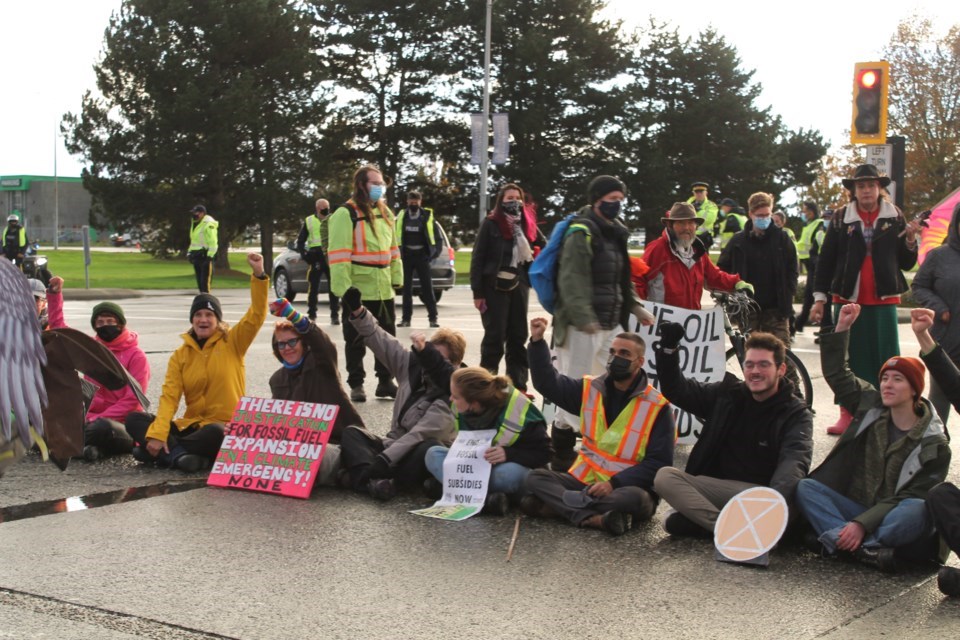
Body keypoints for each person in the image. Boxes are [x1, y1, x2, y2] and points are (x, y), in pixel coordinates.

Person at [796, 303, 950, 572]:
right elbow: (837, 375)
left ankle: (842, 542)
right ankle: (866, 550)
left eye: (898, 379)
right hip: (856, 507)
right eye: (885, 378)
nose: (888, 385)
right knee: (806, 488)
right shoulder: (870, 404)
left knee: (916, 509)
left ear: (915, 390)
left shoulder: (935, 443)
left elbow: (910, 498)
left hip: (893, 517)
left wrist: (861, 525)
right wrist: (843, 327)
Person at [652, 322, 813, 539]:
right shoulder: (728, 394)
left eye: (764, 365)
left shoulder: (796, 414)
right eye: (750, 364)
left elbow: (793, 466)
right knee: (665, 478)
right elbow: (679, 390)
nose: (755, 371)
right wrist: (669, 349)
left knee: (676, 522)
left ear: (781, 369)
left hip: (762, 496)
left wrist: (774, 508)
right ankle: (740, 532)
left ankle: (745, 528)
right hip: (721, 491)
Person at [523, 318, 674, 535]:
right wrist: (537, 342)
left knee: (635, 500)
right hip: (584, 480)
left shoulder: (657, 407)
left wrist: (613, 483)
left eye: (624, 354)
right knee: (535, 478)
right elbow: (548, 383)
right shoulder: (589, 388)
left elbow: (658, 464)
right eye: (612, 352)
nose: (615, 358)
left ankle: (561, 508)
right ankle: (593, 519)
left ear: (640, 362)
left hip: (625, 487)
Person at [125, 253, 268, 472]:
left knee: (215, 433)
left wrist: (258, 274)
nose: (203, 319)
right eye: (198, 315)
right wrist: (159, 432)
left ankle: (163, 453)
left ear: (217, 320)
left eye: (209, 315)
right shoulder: (180, 355)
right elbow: (170, 397)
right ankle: (181, 456)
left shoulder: (233, 342)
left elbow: (256, 314)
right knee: (135, 419)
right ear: (192, 319)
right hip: (191, 426)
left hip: (223, 427)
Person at [551, 175, 654, 469]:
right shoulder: (580, 232)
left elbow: (621, 278)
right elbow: (571, 280)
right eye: (611, 199)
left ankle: (602, 443)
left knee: (610, 382)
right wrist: (585, 319)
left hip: (610, 323)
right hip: (580, 325)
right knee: (575, 385)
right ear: (596, 200)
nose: (616, 204)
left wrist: (635, 307)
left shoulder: (616, 231)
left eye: (620, 199)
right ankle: (563, 448)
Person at [810, 164, 921, 435]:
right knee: (848, 356)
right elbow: (826, 260)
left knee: (885, 358)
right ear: (853, 191)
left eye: (871, 185)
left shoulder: (894, 215)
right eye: (861, 186)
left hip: (883, 300)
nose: (867, 190)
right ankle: (848, 413)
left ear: (879, 188)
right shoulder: (840, 218)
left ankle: (886, 414)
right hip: (848, 298)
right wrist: (819, 298)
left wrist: (909, 239)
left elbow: (905, 263)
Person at [338, 286, 462, 501]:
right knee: (352, 433)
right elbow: (383, 341)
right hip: (393, 445)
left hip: (417, 450)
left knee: (427, 448)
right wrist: (359, 312)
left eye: (439, 359)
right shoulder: (413, 365)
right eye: (429, 355)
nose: (430, 364)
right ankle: (373, 483)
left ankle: (367, 478)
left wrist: (383, 460)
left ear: (455, 364)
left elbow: (419, 434)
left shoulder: (456, 394)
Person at [46, 276, 150, 461]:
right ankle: (90, 449)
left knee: (102, 428)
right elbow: (60, 332)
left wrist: (96, 418)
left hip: (119, 425)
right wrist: (55, 295)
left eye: (110, 321)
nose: (105, 326)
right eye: (100, 323)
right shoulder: (92, 350)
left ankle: (76, 446)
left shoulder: (136, 356)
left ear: (120, 324)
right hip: (89, 418)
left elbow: (133, 401)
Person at [423, 367, 550, 516]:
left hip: (503, 469)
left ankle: (453, 491)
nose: (451, 399)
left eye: (456, 397)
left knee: (510, 474)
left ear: (474, 403)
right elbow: (438, 367)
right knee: (433, 454)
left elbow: (546, 454)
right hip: (474, 469)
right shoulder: (467, 403)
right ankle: (487, 500)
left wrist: (509, 454)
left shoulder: (518, 409)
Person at [266, 298, 364, 487]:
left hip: (336, 443)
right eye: (281, 344)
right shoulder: (277, 379)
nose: (287, 348)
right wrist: (241, 432)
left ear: (304, 343)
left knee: (307, 456)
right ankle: (342, 478)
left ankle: (349, 475)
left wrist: (293, 315)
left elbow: (323, 344)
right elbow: (277, 422)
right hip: (299, 447)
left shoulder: (321, 364)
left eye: (292, 341)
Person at [328, 165, 402, 403]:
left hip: (383, 287)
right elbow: (338, 255)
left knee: (387, 338)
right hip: (358, 289)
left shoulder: (386, 213)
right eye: (375, 183)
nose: (380, 188)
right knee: (356, 339)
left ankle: (384, 381)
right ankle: (357, 384)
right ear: (361, 185)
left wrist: (397, 278)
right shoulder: (345, 214)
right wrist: (344, 289)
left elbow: (394, 249)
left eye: (382, 184)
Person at [470, 182, 543, 395]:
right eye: (509, 198)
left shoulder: (528, 224)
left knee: (518, 335)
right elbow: (478, 258)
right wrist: (477, 292)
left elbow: (544, 247)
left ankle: (518, 385)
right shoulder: (491, 224)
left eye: (517, 198)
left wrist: (538, 255)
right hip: (494, 285)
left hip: (518, 284)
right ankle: (486, 383)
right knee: (495, 336)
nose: (514, 202)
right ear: (501, 201)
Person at [718, 192, 799, 349]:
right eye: (759, 215)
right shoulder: (738, 241)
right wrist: (730, 294)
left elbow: (792, 269)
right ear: (751, 214)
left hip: (776, 309)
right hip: (748, 310)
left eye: (767, 215)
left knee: (783, 356)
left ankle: (788, 376)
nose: (764, 219)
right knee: (751, 354)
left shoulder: (782, 239)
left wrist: (789, 293)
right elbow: (723, 268)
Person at [638, 202, 749, 310]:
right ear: (670, 225)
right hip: (661, 323)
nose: (686, 228)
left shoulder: (698, 252)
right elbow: (638, 280)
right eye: (681, 223)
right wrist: (638, 310)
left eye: (691, 223)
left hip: (692, 323)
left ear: (696, 226)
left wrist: (737, 283)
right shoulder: (657, 249)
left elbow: (714, 276)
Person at [911, 202, 960, 428]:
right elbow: (919, 285)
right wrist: (938, 307)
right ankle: (932, 454)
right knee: (939, 405)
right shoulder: (939, 256)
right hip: (944, 345)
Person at [395, 190, 440, 328]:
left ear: (420, 202)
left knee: (427, 288)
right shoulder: (402, 216)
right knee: (406, 290)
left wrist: (432, 254)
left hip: (422, 256)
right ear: (407, 201)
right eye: (411, 202)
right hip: (407, 257)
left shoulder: (427, 216)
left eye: (416, 202)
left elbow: (437, 238)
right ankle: (406, 319)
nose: (413, 204)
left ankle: (433, 319)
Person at [296, 198, 340, 324]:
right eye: (323, 207)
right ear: (317, 208)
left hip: (330, 255)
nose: (326, 209)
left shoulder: (333, 219)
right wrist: (305, 256)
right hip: (315, 256)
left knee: (334, 287)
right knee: (314, 286)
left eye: (328, 207)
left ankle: (334, 315)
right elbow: (300, 241)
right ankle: (312, 314)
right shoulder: (309, 220)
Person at [795, 200, 826, 333]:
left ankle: (802, 323)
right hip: (810, 264)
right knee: (810, 295)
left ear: (812, 211)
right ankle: (800, 323)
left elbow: (816, 245)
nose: (804, 213)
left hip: (816, 263)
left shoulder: (818, 225)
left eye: (805, 210)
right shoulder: (808, 225)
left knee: (815, 295)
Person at [187, 204, 219, 293]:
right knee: (199, 280)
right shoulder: (196, 224)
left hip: (205, 255)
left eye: (196, 213)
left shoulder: (208, 224)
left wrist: (210, 256)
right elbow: (194, 241)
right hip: (196, 255)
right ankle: (202, 296)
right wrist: (189, 253)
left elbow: (213, 241)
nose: (194, 215)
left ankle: (206, 298)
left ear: (202, 213)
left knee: (205, 281)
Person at [686, 181, 719, 249]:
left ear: (706, 193)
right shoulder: (687, 204)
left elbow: (709, 219)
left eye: (701, 192)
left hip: (703, 237)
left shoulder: (712, 205)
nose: (699, 194)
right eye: (696, 192)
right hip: (688, 236)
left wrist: (695, 211)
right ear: (693, 193)